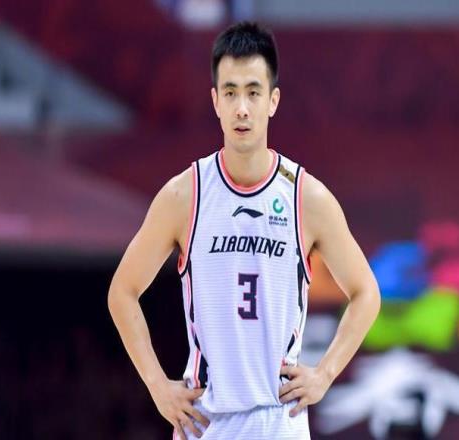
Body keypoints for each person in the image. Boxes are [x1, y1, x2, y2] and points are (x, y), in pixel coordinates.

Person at [108, 21, 381, 440]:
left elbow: (367, 293)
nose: (242, 108)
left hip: (279, 421)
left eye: (253, 92)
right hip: (207, 421)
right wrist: (158, 387)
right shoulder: (184, 195)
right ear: (215, 101)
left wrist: (325, 374)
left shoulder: (306, 197)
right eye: (231, 92)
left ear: (273, 101)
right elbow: (122, 291)